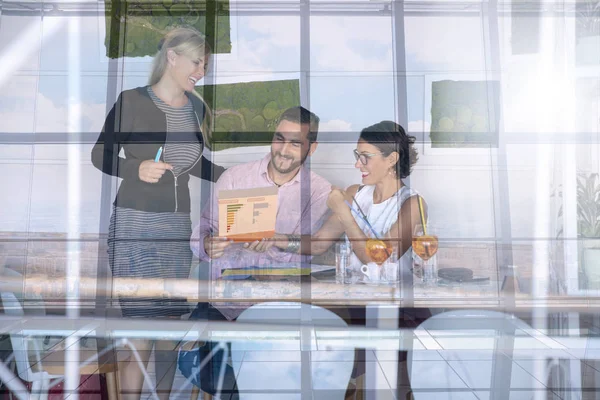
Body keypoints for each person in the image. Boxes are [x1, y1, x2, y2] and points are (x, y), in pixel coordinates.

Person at [91, 27, 225, 400]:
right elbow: (99, 154)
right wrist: (135, 168)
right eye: (197, 61)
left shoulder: (196, 107)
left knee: (167, 334)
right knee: (140, 332)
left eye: (206, 64)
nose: (202, 70)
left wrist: (240, 177)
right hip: (136, 224)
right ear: (172, 57)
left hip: (176, 230)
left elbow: (193, 164)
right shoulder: (132, 101)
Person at [179, 106, 331, 398]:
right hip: (223, 304)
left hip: (278, 308)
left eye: (295, 143)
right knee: (212, 367)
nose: (284, 150)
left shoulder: (320, 192)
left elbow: (312, 247)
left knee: (274, 370)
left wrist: (276, 241)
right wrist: (209, 244)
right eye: (279, 139)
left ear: (312, 148)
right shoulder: (235, 177)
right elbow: (201, 233)